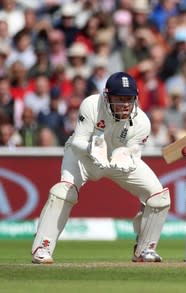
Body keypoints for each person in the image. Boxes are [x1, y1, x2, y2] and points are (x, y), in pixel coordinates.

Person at [31, 72, 170, 264]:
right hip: (83, 156)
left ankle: (145, 250)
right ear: (107, 97)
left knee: (159, 196)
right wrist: (91, 149)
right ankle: (42, 247)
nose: (125, 104)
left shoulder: (142, 122)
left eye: (129, 99)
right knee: (64, 192)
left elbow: (134, 153)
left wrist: (126, 156)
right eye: (119, 99)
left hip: (117, 159)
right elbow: (78, 141)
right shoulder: (91, 105)